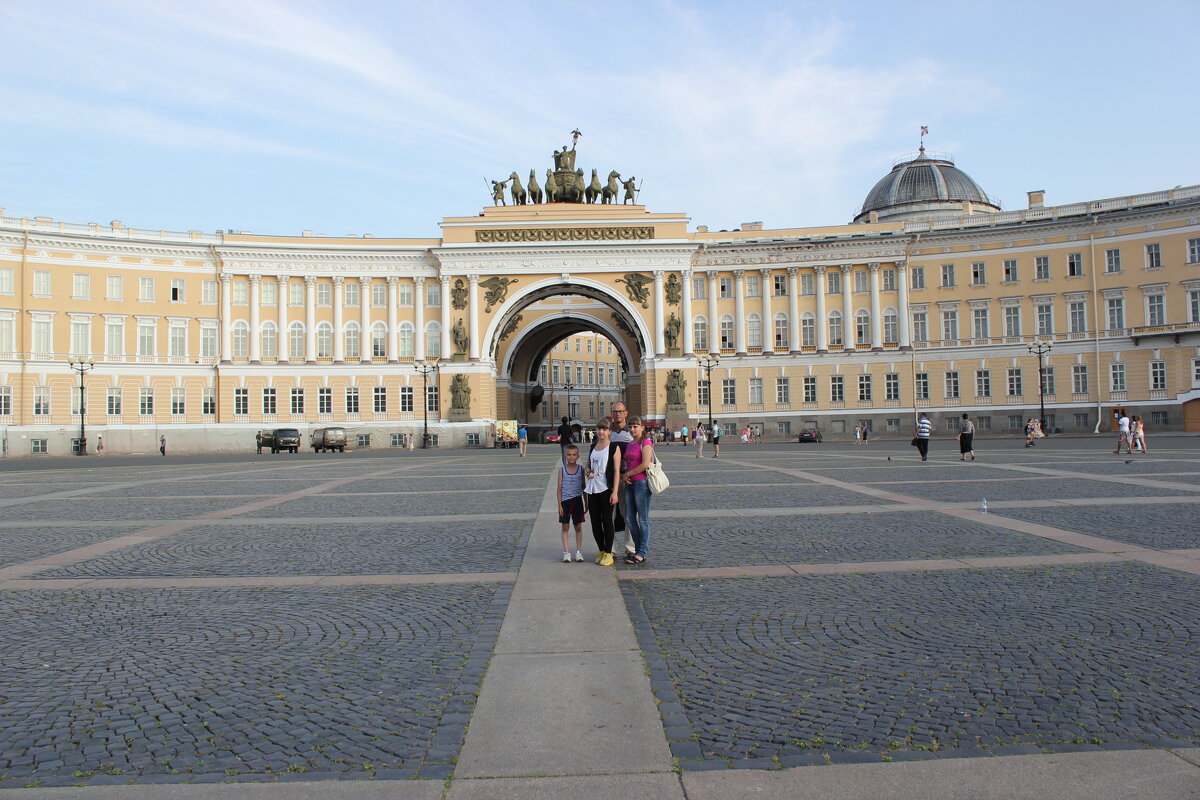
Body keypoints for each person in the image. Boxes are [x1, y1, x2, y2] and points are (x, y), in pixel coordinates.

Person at [585, 418, 622, 566]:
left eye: (604, 429)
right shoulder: (593, 446)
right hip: (593, 489)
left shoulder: (614, 448)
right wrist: (588, 473)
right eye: (599, 429)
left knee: (607, 521)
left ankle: (608, 552)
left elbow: (616, 471)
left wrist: (615, 493)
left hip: (607, 489)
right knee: (595, 522)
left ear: (609, 431)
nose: (601, 432)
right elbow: (588, 465)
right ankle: (601, 550)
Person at [621, 416, 654, 565]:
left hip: (641, 483)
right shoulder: (631, 443)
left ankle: (641, 552)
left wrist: (628, 474)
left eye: (636, 426)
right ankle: (640, 548)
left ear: (642, 428)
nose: (633, 429)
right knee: (629, 518)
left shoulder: (646, 443)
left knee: (643, 519)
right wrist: (625, 475)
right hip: (630, 484)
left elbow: (645, 464)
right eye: (631, 426)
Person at [608, 401, 635, 558]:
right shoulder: (608, 432)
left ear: (626, 413)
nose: (618, 414)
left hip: (627, 478)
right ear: (612, 414)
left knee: (628, 514)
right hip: (611, 479)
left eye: (620, 411)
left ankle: (630, 548)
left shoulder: (631, 432)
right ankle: (610, 549)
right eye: (615, 411)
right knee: (609, 514)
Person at [558, 444, 586, 562]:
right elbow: (559, 488)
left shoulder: (581, 469)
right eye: (569, 455)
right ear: (565, 456)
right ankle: (566, 552)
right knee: (565, 526)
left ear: (578, 456)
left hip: (577, 501)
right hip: (565, 502)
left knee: (578, 526)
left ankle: (578, 552)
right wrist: (559, 505)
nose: (571, 457)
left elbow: (584, 487)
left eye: (574, 455)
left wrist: (587, 502)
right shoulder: (562, 470)